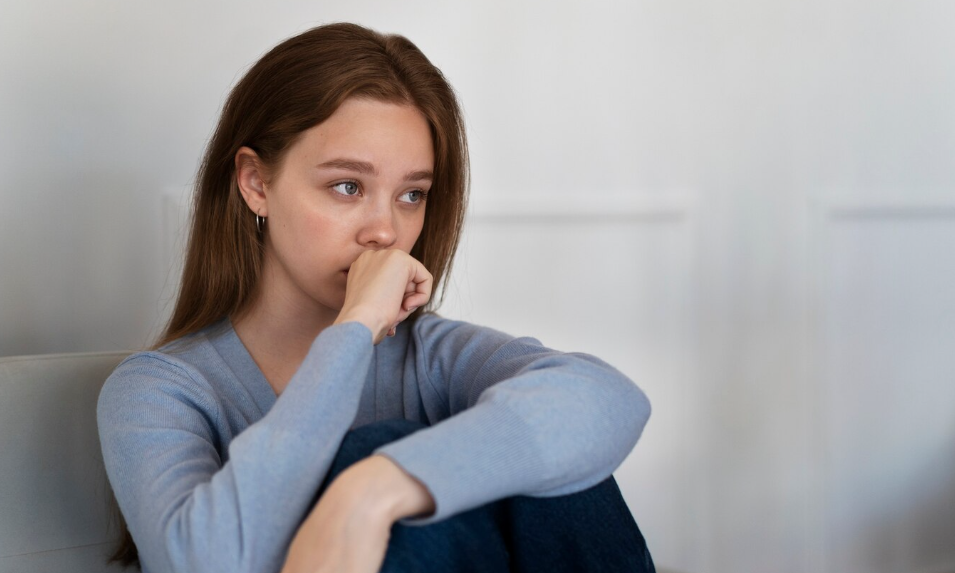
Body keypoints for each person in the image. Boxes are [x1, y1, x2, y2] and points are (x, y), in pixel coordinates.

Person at [97, 22, 655, 573]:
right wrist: (357, 326)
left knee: (553, 453)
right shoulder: (158, 391)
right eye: (348, 186)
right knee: (380, 446)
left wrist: (371, 493)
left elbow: (609, 400)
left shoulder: (429, 355)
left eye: (412, 194)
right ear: (256, 183)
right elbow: (210, 562)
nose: (385, 232)